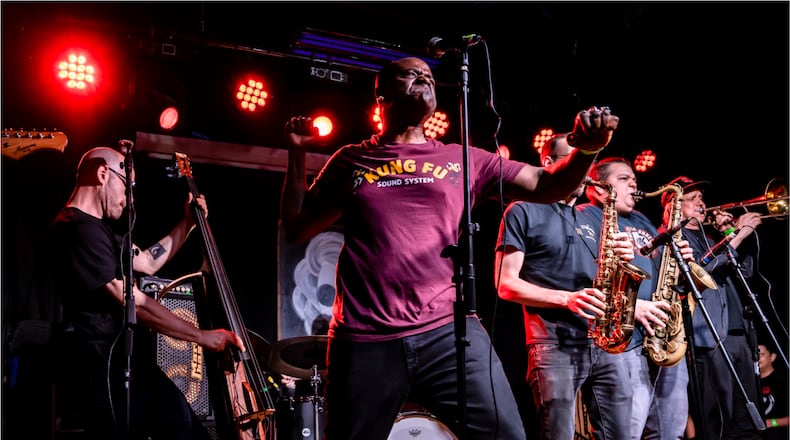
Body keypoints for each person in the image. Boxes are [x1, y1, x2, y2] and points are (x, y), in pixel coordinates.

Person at [279, 56, 619, 440]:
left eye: (428, 75)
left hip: (447, 331)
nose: (423, 78)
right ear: (382, 95)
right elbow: (296, 228)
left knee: (507, 435)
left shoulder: (463, 159)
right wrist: (297, 154)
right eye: (411, 73)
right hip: (366, 338)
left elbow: (547, 185)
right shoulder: (353, 159)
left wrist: (585, 152)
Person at [49, 146, 246, 440]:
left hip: (131, 367)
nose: (130, 200)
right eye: (127, 187)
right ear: (104, 174)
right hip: (106, 370)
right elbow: (133, 301)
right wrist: (202, 336)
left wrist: (187, 224)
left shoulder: (99, 231)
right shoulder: (77, 229)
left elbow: (147, 263)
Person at [494, 133, 637, 439]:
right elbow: (505, 284)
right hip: (553, 344)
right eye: (576, 162)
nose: (585, 174)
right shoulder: (522, 210)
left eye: (588, 165)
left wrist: (624, 257)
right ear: (547, 163)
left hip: (603, 340)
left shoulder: (592, 216)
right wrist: (568, 299)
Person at [577, 158, 694, 440]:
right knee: (626, 430)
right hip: (622, 336)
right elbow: (586, 276)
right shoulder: (585, 216)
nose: (633, 184)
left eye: (634, 179)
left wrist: (679, 262)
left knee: (670, 431)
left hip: (661, 333)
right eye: (623, 179)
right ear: (600, 189)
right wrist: (632, 307)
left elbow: (658, 268)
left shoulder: (641, 220)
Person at [660, 175, 763, 440]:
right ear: (672, 207)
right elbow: (699, 273)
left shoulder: (712, 236)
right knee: (717, 419)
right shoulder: (674, 238)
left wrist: (730, 233)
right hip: (709, 337)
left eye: (701, 198)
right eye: (692, 199)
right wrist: (737, 237)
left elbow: (747, 272)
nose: (701, 203)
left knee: (748, 417)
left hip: (739, 332)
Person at [758, 340, 788, 440]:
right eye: (754, 354)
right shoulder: (749, 383)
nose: (757, 358)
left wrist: (773, 422)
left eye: (761, 354)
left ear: (772, 357)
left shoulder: (784, 380)